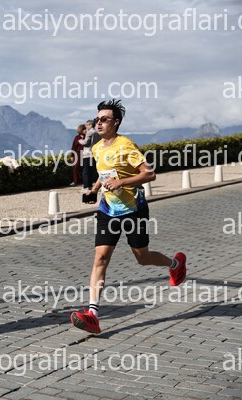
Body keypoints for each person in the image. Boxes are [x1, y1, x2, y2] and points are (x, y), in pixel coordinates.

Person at [70, 99, 187, 334]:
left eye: (104, 119)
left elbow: (149, 174)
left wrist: (122, 182)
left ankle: (175, 264)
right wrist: (94, 189)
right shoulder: (97, 148)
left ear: (116, 122)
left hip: (134, 209)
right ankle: (93, 314)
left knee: (142, 257)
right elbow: (104, 173)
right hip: (107, 210)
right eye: (97, 119)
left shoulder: (126, 145)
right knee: (100, 258)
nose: (99, 123)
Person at [78, 119, 100, 191]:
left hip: (88, 154)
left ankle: (86, 186)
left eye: (87, 125)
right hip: (94, 154)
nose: (86, 127)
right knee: (91, 171)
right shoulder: (97, 132)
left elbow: (86, 142)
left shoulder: (90, 132)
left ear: (90, 125)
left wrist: (80, 141)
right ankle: (90, 185)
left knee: (86, 171)